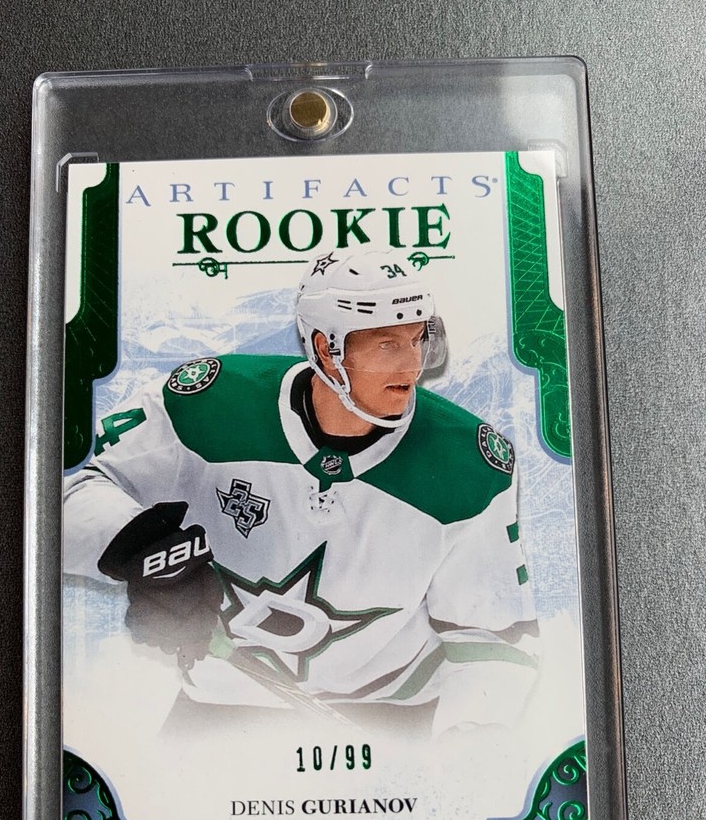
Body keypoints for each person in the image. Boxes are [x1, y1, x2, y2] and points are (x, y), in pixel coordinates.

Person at [63, 248, 539, 738]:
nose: (412, 365)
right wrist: (140, 548)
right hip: (219, 707)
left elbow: (492, 639)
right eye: (387, 345)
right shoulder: (206, 409)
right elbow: (68, 495)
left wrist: (470, 747)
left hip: (393, 715)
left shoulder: (468, 466)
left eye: (418, 340)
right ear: (326, 349)